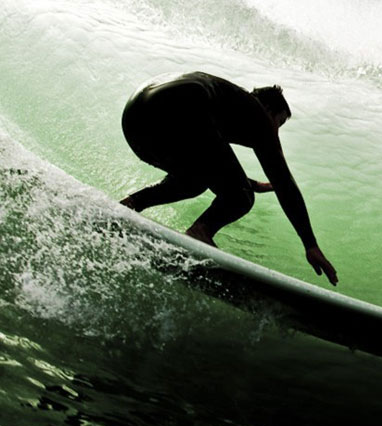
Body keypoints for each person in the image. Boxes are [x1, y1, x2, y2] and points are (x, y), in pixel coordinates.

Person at [119, 71, 338, 286]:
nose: (275, 134)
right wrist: (310, 244)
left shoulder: (228, 103)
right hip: (180, 109)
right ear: (268, 110)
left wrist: (251, 183)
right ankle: (200, 232)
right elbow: (283, 181)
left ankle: (129, 205)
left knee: (193, 180)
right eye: (278, 124)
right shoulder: (257, 114)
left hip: (137, 117)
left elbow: (209, 161)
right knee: (242, 197)